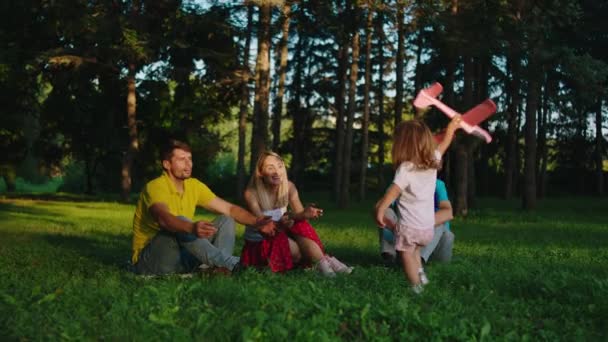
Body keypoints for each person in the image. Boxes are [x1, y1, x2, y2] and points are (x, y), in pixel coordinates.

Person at [131, 139, 275, 276]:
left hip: (181, 256)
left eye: (190, 158)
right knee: (180, 222)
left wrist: (257, 222)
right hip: (152, 261)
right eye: (182, 159)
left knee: (226, 219)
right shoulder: (156, 186)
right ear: (167, 164)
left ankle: (218, 270)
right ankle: (233, 264)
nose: (188, 164)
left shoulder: (193, 186)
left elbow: (230, 209)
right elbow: (164, 219)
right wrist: (191, 228)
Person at [374, 117, 461, 293]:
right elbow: (443, 145)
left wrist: (381, 209)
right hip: (427, 228)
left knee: (406, 254)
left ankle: (416, 287)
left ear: (403, 145)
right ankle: (421, 273)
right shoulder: (432, 163)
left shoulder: (406, 168)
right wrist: (452, 128)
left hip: (409, 228)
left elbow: (393, 191)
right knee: (415, 252)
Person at [240, 151, 352, 277]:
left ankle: (323, 262)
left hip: (282, 233)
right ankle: (322, 262)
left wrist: (305, 214)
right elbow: (264, 227)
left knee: (300, 224)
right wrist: (284, 223)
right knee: (296, 249)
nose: (277, 172)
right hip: (261, 242)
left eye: (280, 166)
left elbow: (301, 219)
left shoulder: (288, 186)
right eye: (270, 168)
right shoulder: (251, 193)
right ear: (260, 173)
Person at [379, 179, 454, 265]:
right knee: (386, 212)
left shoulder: (437, 184)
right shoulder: (400, 183)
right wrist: (396, 228)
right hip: (405, 238)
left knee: (439, 223)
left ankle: (417, 261)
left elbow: (448, 213)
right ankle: (390, 257)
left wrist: (418, 226)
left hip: (436, 242)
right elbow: (381, 207)